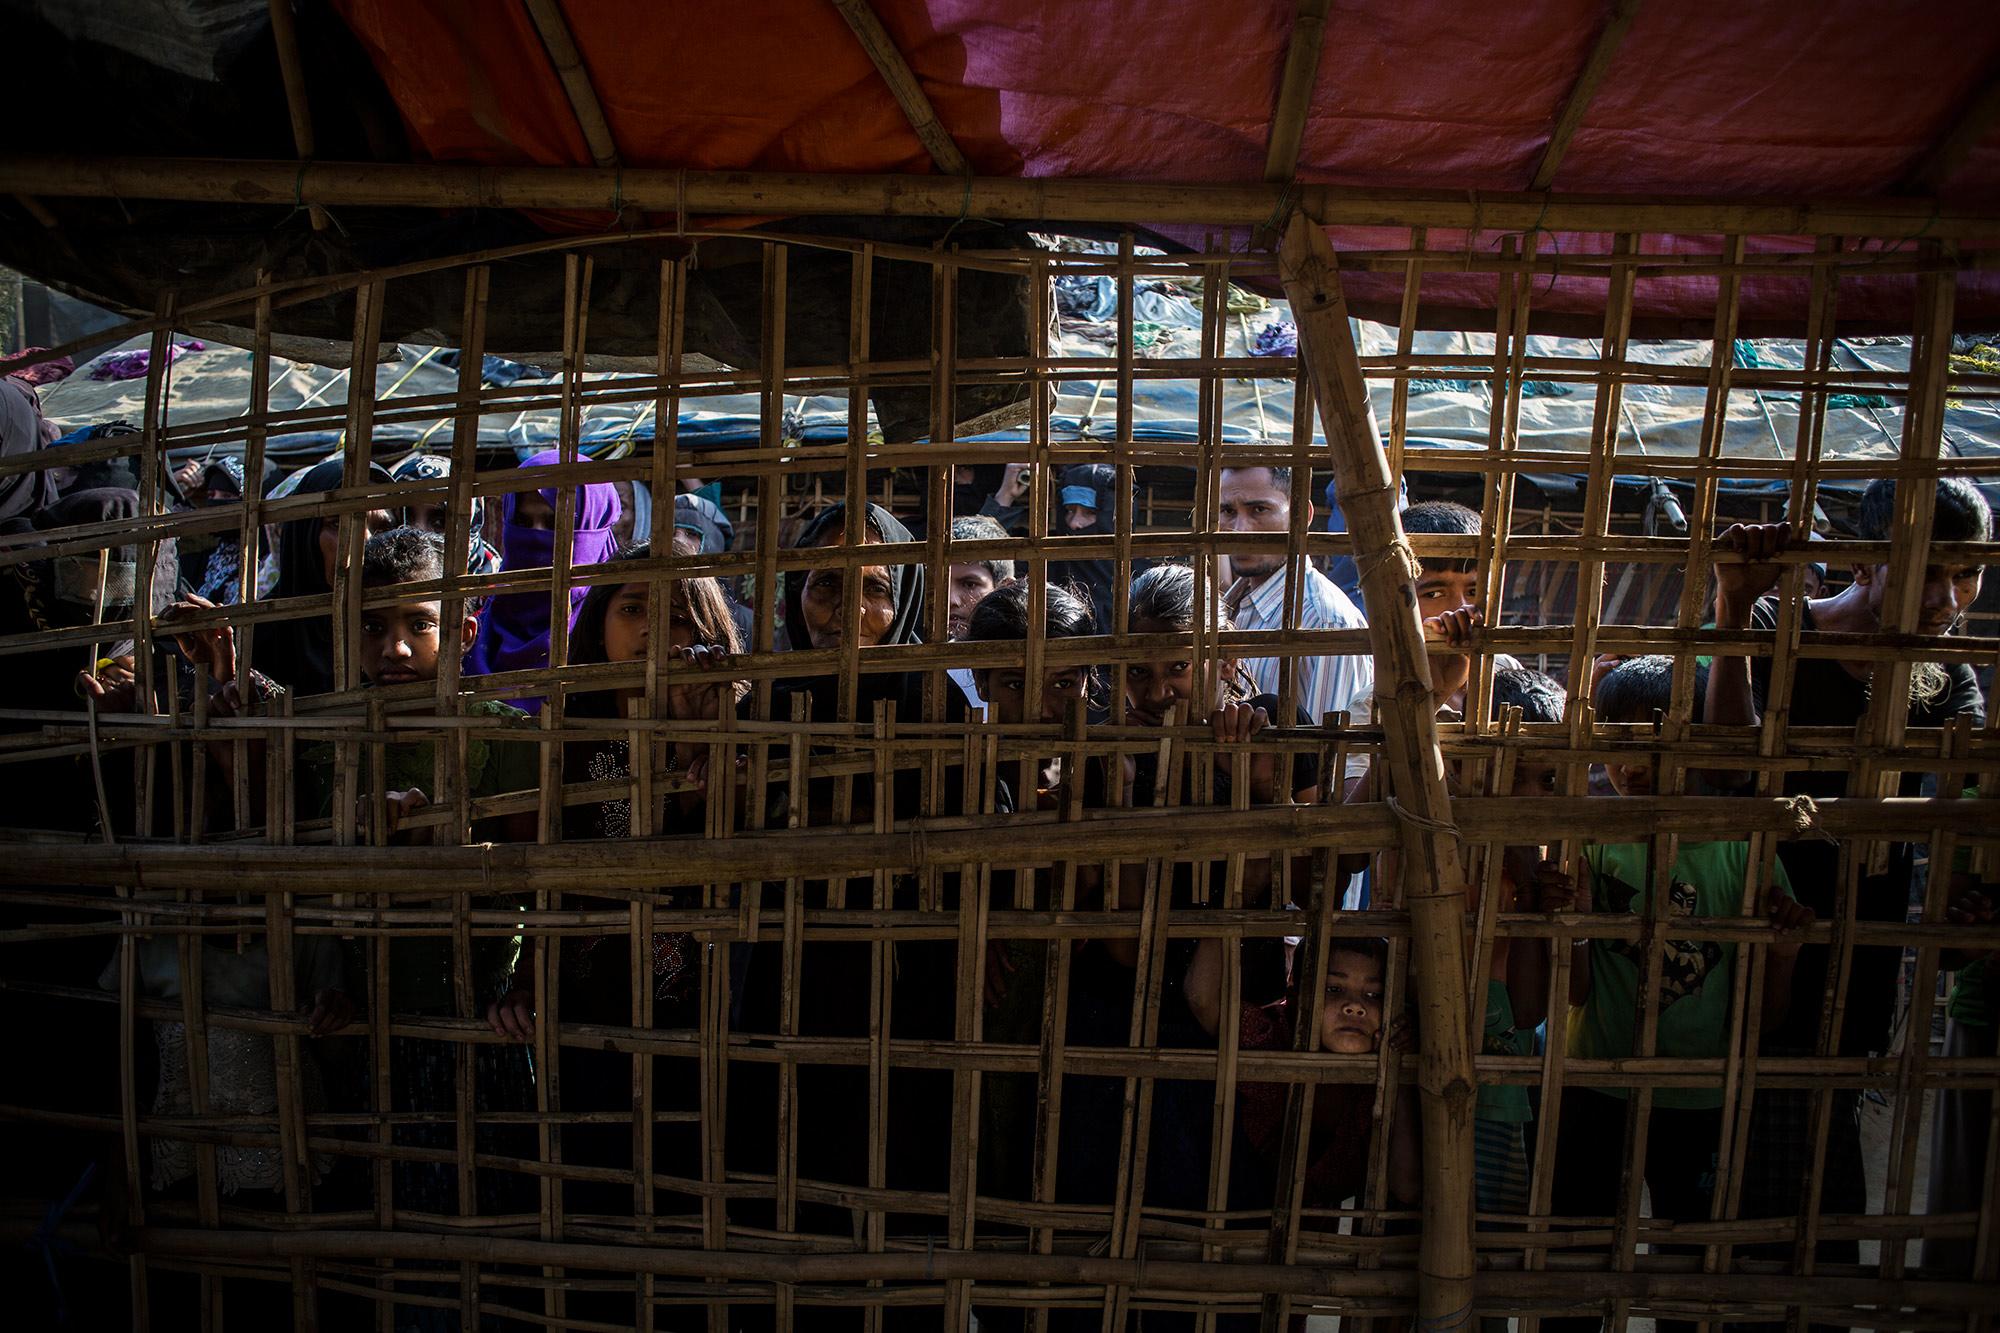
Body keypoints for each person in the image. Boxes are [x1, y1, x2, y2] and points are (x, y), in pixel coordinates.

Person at [1704, 478, 1988, 1265]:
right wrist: (1730, 609)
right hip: (1749, 944)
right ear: (1864, 563)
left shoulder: (1945, 682)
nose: (1948, 597)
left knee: (1818, 1207)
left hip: (1855, 966)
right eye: (1929, 571)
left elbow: (1957, 831)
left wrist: (1956, 905)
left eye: (1968, 575)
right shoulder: (1772, 627)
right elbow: (1727, 772)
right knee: (1728, 1196)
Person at [1546, 656, 1813, 1333]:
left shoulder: (1742, 852)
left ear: (1695, 742)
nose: (1631, 767)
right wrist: (1574, 923)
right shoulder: (1595, 842)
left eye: (1652, 744)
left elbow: (1766, 1015)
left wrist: (1784, 953)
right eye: (1617, 746)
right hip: (1594, 1080)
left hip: (1698, 1093)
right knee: (1574, 1263)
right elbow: (1573, 993)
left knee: (1687, 1274)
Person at [1217, 464, 1372, 781]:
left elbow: (1327, 769)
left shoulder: (1325, 621)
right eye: (1227, 511)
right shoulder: (1230, 608)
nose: (1240, 528)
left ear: (1301, 515)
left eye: (1258, 509)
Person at [462, 449, 621, 712]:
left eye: (554, 523)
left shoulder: (617, 627)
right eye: (523, 522)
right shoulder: (475, 627)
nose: (535, 536)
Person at [945, 513, 1018, 712]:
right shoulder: (928, 666)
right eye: (940, 582)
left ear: (1005, 588)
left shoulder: (1022, 661)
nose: (951, 600)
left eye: (969, 584)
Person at [388, 452, 501, 576]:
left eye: (439, 522)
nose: (417, 534)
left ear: (471, 525)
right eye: (405, 519)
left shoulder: (500, 588)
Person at [671, 490, 755, 648]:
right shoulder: (645, 607)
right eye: (670, 533)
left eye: (691, 534)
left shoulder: (743, 621)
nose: (677, 540)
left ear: (712, 544)